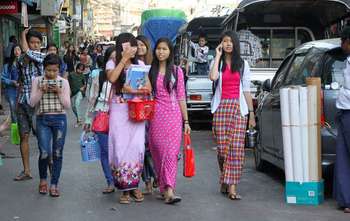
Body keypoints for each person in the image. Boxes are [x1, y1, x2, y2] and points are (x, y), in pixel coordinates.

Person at [209, 30, 256, 200]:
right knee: (223, 150)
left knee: (236, 150)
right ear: (221, 44)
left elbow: (246, 90)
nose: (228, 44)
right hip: (221, 109)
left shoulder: (243, 64)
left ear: (235, 44)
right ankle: (225, 179)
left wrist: (251, 114)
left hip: (238, 109)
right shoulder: (217, 62)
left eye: (231, 41)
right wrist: (217, 56)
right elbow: (213, 77)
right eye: (225, 41)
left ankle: (232, 188)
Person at [107, 33, 151, 204]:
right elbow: (112, 78)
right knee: (119, 147)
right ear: (120, 47)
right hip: (119, 110)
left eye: (132, 46)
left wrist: (136, 90)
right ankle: (124, 189)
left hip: (136, 109)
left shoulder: (140, 63)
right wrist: (123, 60)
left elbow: (148, 86)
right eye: (126, 46)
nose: (130, 49)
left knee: (136, 146)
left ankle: (134, 186)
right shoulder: (112, 62)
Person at [148, 38, 191, 204]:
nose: (161, 52)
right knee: (158, 151)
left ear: (170, 51)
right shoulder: (150, 71)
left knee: (171, 153)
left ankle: (170, 190)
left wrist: (186, 121)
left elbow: (181, 96)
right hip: (156, 115)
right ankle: (163, 185)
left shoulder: (176, 71)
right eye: (158, 49)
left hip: (174, 116)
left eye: (164, 49)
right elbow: (146, 91)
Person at [30, 54, 71, 197]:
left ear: (59, 69)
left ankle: (54, 184)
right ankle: (43, 181)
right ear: (43, 68)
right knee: (44, 152)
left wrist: (59, 92)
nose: (51, 74)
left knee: (57, 153)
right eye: (48, 70)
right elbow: (32, 103)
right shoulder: (37, 81)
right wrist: (42, 90)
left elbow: (67, 105)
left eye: (54, 71)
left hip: (60, 119)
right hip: (42, 119)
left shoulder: (63, 82)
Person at [14, 27, 46, 181]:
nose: (35, 45)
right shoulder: (21, 58)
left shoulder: (41, 56)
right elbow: (19, 69)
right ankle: (26, 170)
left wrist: (23, 36)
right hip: (22, 102)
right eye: (32, 42)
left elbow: (29, 53)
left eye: (37, 42)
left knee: (42, 138)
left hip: (38, 103)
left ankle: (49, 171)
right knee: (23, 136)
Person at [83, 47, 115, 194]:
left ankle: (121, 179)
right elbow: (92, 98)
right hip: (101, 114)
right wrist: (88, 119)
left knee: (118, 151)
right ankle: (110, 181)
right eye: (112, 59)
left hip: (119, 117)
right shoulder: (99, 75)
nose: (114, 62)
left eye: (117, 58)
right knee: (104, 151)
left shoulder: (125, 74)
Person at [136, 35, 158, 193]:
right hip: (137, 108)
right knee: (142, 147)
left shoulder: (155, 64)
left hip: (154, 108)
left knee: (152, 146)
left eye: (143, 44)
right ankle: (148, 181)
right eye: (137, 45)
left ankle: (155, 177)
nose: (140, 47)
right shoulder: (133, 64)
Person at [334, 26, 350, 214]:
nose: (341, 45)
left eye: (342, 41)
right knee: (343, 156)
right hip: (344, 111)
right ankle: (346, 200)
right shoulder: (347, 61)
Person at [1, 45, 21, 124]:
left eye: (18, 49)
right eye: (15, 50)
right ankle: (15, 131)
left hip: (22, 90)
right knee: (13, 111)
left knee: (23, 111)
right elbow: (2, 78)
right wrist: (11, 82)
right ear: (12, 52)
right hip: (11, 91)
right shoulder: (7, 65)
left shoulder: (25, 63)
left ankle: (23, 130)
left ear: (21, 51)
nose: (16, 51)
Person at [68, 63, 86, 128]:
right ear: (76, 68)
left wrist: (83, 88)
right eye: (79, 69)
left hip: (80, 92)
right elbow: (68, 83)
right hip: (73, 92)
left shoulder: (82, 76)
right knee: (73, 107)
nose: (80, 71)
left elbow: (85, 84)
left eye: (82, 70)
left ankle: (79, 120)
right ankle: (79, 119)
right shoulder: (71, 75)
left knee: (76, 103)